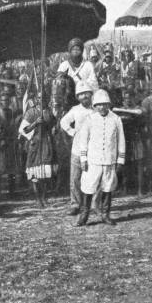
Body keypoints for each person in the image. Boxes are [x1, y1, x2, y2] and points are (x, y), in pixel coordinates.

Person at [77, 89, 125, 226]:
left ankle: (105, 214)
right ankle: (84, 215)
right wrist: (83, 159)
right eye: (99, 105)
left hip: (109, 160)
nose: (102, 107)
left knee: (108, 187)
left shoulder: (116, 119)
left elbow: (121, 141)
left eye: (104, 104)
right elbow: (83, 141)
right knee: (88, 187)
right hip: (93, 161)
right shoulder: (90, 119)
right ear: (95, 106)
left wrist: (120, 160)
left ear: (109, 105)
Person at [60, 81, 95, 216]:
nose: (84, 96)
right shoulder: (75, 110)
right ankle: (75, 205)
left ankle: (91, 205)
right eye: (81, 94)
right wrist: (71, 131)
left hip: (92, 149)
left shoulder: (96, 109)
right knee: (75, 178)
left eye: (86, 93)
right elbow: (63, 122)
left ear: (91, 94)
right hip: (77, 149)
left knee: (91, 178)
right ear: (77, 97)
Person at [19, 90, 57, 208]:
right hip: (35, 144)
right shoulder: (31, 112)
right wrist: (35, 123)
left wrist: (54, 128)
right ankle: (37, 198)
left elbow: (53, 125)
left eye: (44, 98)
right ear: (36, 99)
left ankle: (44, 197)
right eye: (40, 98)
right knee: (35, 173)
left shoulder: (49, 112)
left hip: (46, 144)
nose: (42, 100)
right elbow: (23, 130)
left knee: (45, 173)